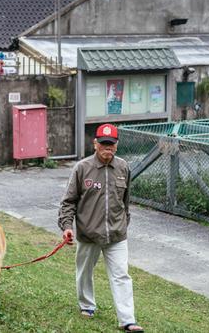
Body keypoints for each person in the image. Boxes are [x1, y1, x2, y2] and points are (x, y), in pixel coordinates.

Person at [58, 123, 144, 332]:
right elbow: (68, 202)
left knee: (121, 275)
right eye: (104, 144)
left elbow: (126, 201)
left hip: (116, 234)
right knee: (85, 272)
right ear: (95, 143)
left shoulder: (123, 167)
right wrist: (67, 226)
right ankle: (87, 306)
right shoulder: (82, 168)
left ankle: (127, 320)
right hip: (88, 234)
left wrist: (123, 224)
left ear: (117, 145)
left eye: (111, 144)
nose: (108, 148)